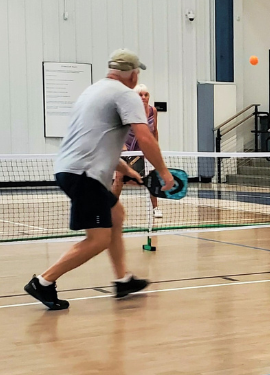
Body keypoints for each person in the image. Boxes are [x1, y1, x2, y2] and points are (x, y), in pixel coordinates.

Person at [25, 50, 174, 310]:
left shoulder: (93, 91)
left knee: (115, 215)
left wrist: (126, 170)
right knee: (98, 239)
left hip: (72, 168)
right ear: (133, 73)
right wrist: (164, 172)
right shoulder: (125, 94)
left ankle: (122, 280)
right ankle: (43, 281)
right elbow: (146, 137)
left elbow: (94, 141)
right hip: (85, 174)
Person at [112, 83, 162, 218]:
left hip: (145, 149)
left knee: (153, 176)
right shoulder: (127, 112)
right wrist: (123, 150)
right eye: (140, 95)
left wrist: (155, 148)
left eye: (146, 95)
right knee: (119, 177)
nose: (143, 97)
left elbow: (155, 131)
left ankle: (156, 207)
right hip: (128, 149)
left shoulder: (153, 111)